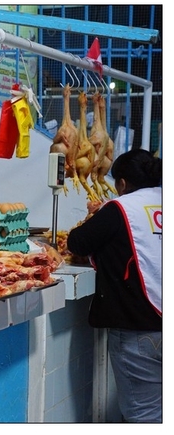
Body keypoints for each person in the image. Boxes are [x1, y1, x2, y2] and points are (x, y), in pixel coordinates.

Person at [67, 148, 162, 423]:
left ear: (121, 183)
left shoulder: (121, 208)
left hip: (138, 330)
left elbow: (78, 243)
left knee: (144, 417)